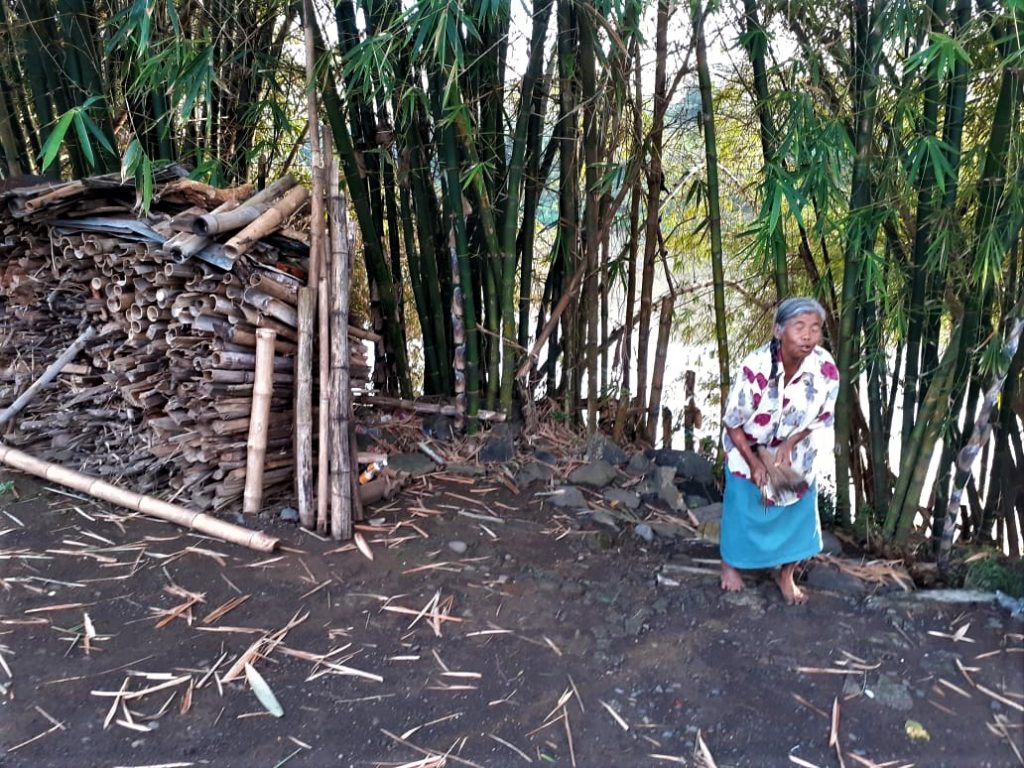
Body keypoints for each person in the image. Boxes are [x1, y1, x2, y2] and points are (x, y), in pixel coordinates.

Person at [719, 297, 839, 604]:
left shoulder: (825, 368)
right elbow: (732, 422)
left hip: (795, 450)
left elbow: (823, 416)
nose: (808, 335)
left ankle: (786, 575)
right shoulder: (755, 368)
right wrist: (755, 461)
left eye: (815, 328)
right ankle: (730, 564)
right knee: (743, 508)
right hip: (749, 444)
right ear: (778, 331)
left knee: (799, 514)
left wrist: (790, 443)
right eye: (799, 327)